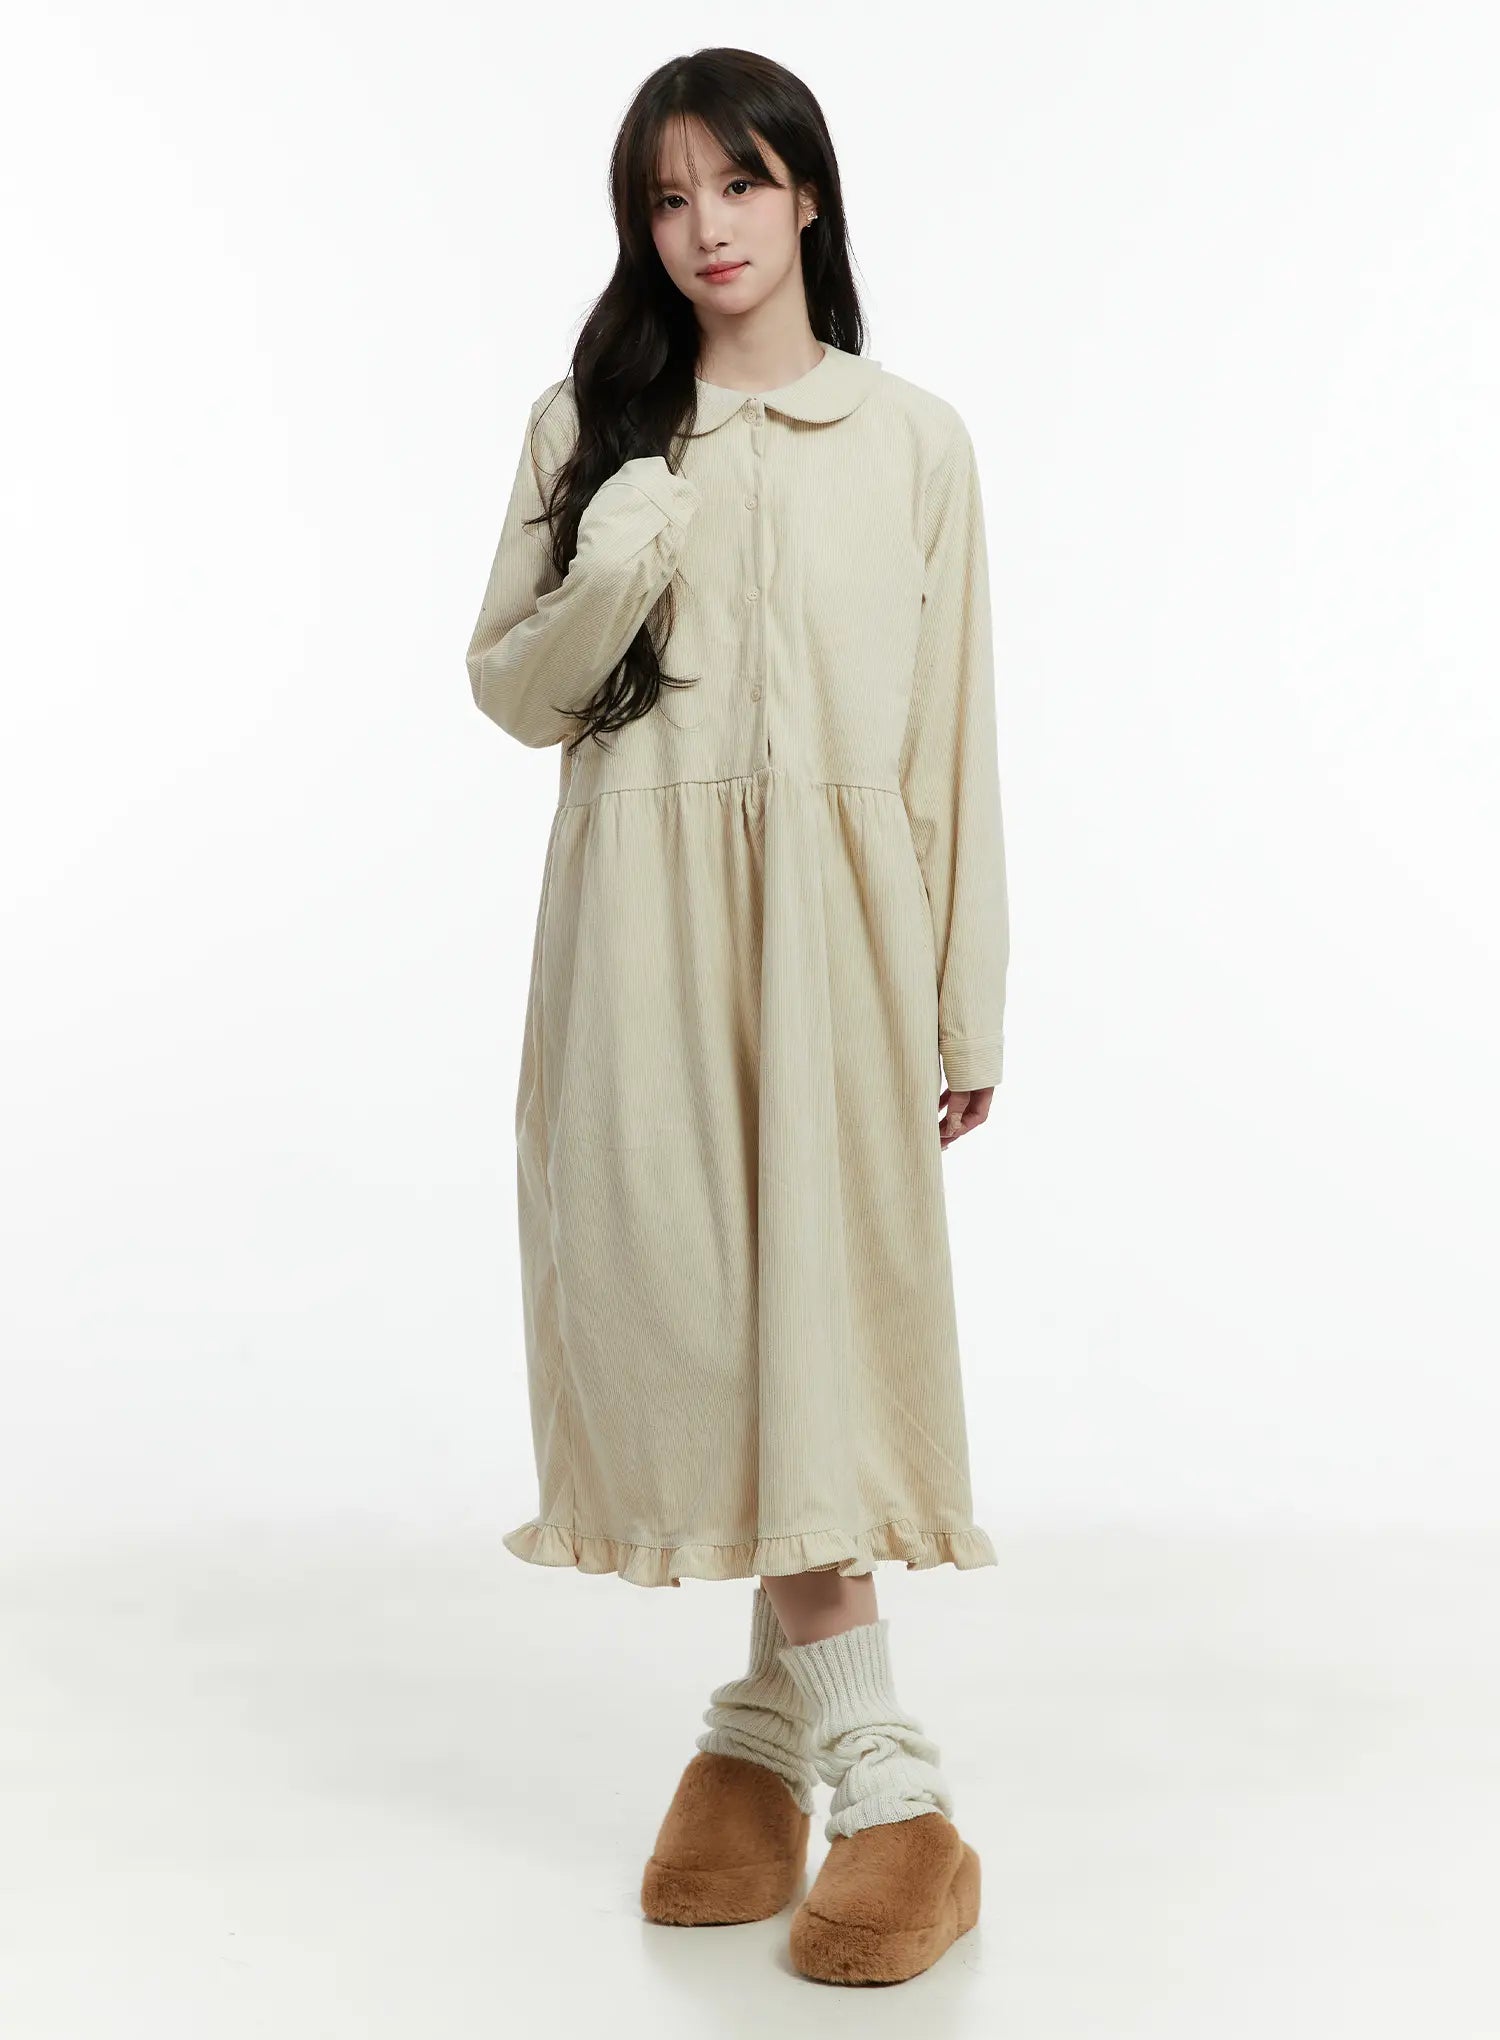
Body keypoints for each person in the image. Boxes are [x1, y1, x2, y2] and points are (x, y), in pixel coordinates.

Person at [464, 48, 1008, 1986]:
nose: (705, 228)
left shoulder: (914, 440)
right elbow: (516, 697)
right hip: (640, 942)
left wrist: (964, 998)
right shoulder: (588, 428)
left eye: (739, 185)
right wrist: (617, 561)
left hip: (845, 946)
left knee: (823, 1341)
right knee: (702, 1325)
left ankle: (875, 1787)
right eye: (668, 197)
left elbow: (950, 742)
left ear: (807, 198)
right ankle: (773, 1747)